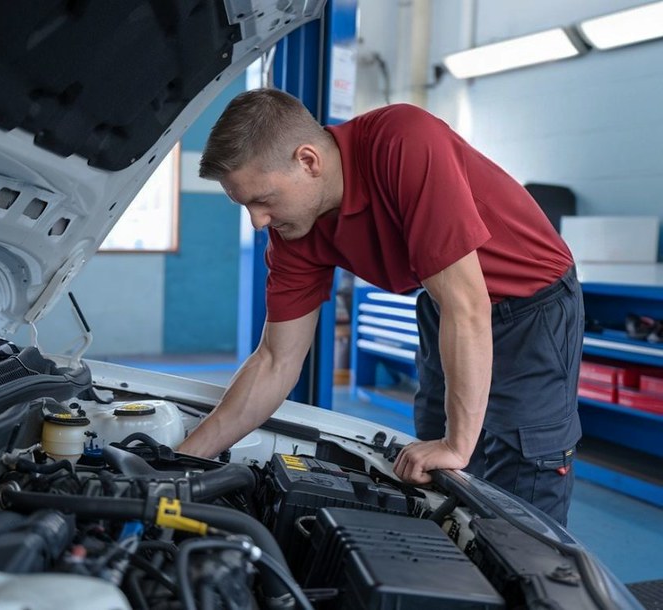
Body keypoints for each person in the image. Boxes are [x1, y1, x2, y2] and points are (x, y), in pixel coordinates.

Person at [177, 88, 584, 525]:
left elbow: (468, 305)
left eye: (262, 200)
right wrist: (178, 462)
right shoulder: (296, 228)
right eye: (245, 205)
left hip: (530, 307)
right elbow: (275, 360)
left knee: (521, 479)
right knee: (438, 476)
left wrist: (457, 442)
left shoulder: (404, 142)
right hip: (444, 309)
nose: (257, 220)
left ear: (308, 161)